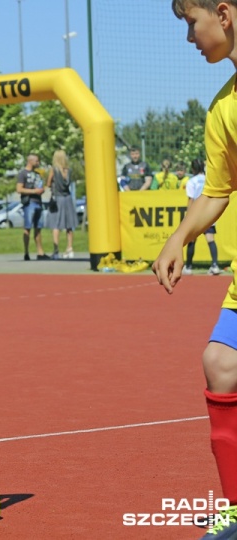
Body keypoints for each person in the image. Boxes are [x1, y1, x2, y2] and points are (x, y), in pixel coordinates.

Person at [155, 2, 237, 538]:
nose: (189, 37)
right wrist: (179, 236)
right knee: (220, 363)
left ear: (223, 13)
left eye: (191, 22)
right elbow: (218, 190)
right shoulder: (223, 107)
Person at [182, 158, 222, 276]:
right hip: (209, 212)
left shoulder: (191, 181)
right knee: (210, 239)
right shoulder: (208, 180)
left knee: (192, 239)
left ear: (193, 168)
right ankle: (215, 265)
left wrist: (188, 216)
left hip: (196, 214)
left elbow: (191, 200)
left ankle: (188, 267)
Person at [16, 154, 50, 261]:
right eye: (36, 161)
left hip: (38, 202)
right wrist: (34, 191)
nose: (38, 163)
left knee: (38, 228)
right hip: (29, 202)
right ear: (30, 161)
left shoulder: (38, 173)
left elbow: (41, 185)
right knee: (27, 228)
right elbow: (19, 189)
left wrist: (41, 190)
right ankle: (26, 252)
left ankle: (40, 252)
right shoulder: (23, 173)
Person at [45, 149, 78, 259]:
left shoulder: (54, 170)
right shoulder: (68, 170)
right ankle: (70, 248)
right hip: (68, 197)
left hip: (58, 198)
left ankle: (56, 251)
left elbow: (48, 183)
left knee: (56, 224)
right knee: (69, 224)